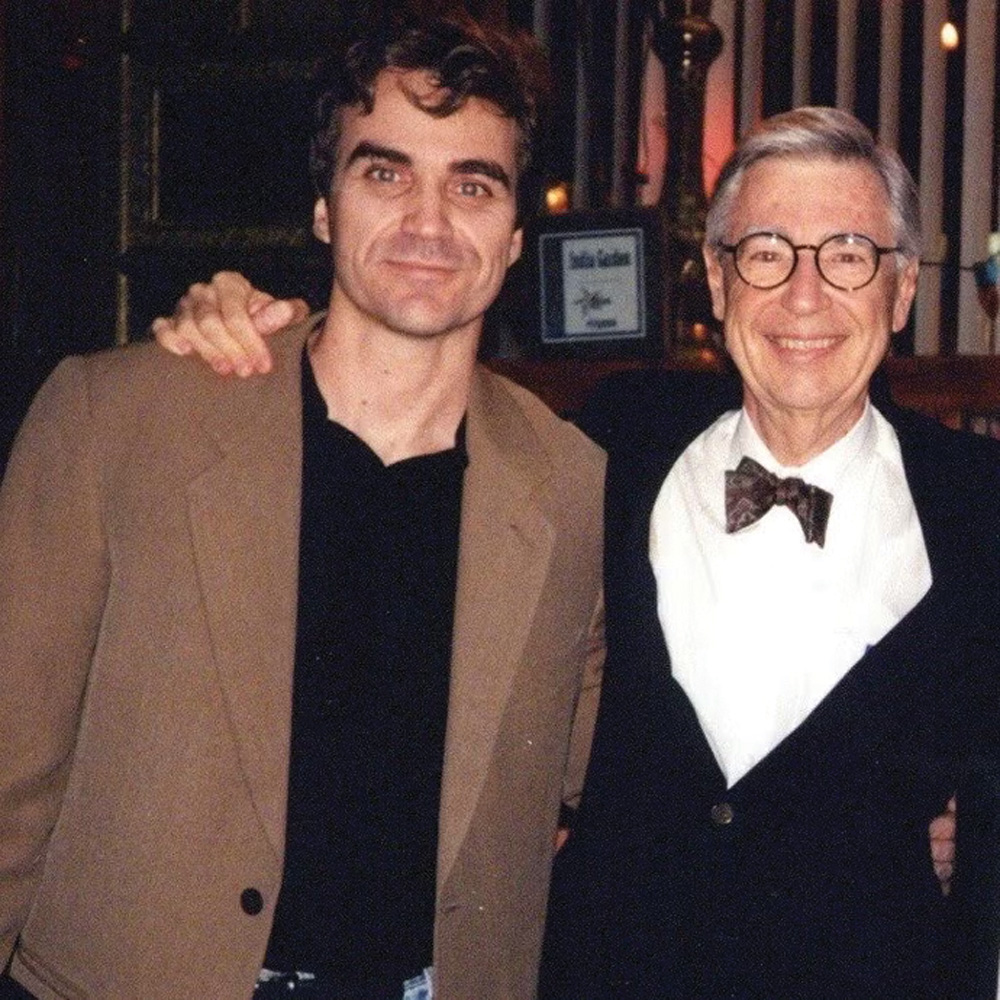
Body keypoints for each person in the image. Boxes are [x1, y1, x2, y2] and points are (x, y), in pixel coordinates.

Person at [0, 14, 605, 1000]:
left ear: (513, 235)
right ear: (324, 208)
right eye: (384, 172)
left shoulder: (575, 487)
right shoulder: (118, 419)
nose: (428, 220)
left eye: (472, 184)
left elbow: (627, 761)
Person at [535, 106, 1000, 998]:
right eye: (767, 252)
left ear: (901, 291)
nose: (804, 295)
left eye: (849, 255)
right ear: (716, 281)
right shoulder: (613, 445)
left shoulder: (982, 505)